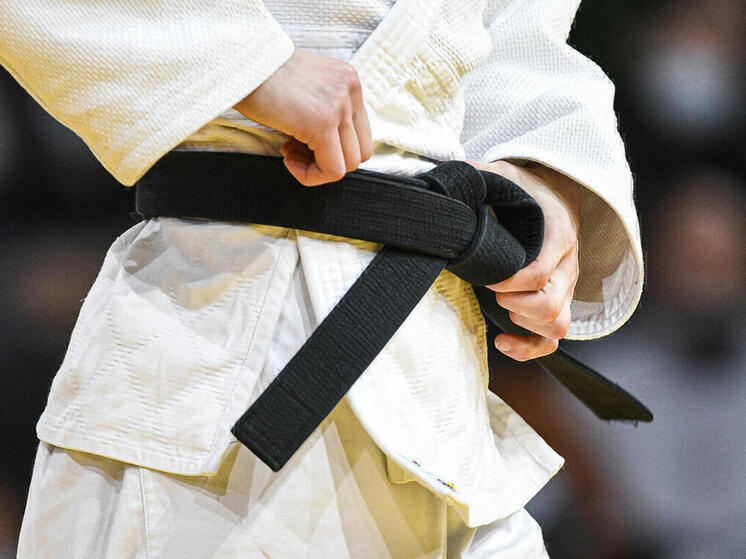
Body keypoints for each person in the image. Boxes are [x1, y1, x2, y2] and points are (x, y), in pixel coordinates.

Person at [1, 0, 644, 556]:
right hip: (216, 364)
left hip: (441, 392)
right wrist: (238, 61)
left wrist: (539, 174)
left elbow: (516, 35)